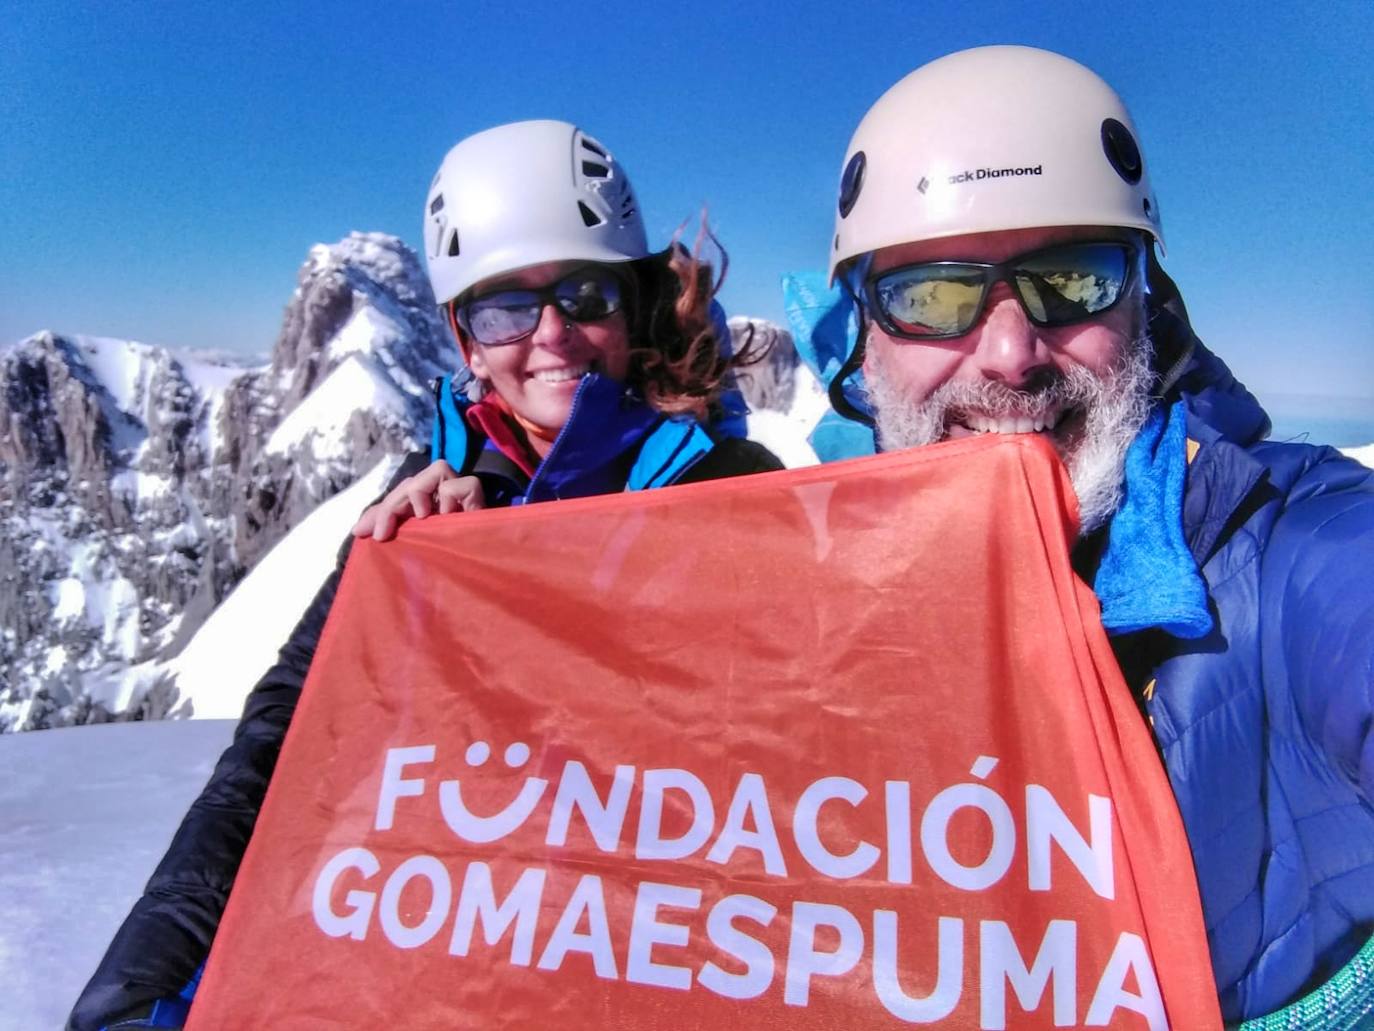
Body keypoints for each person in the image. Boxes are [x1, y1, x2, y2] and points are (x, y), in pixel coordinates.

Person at [69, 119, 780, 1031]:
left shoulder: (736, 489)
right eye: (505, 309)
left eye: (585, 291)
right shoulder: (419, 512)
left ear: (634, 301)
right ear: (465, 340)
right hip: (459, 967)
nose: (551, 335)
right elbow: (284, 744)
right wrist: (148, 988)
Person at [811, 45, 1374, 1025]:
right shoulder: (793, 595)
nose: (1011, 354)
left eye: (1069, 279)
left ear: (1143, 303)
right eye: (934, 295)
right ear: (865, 335)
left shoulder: (1292, 551)